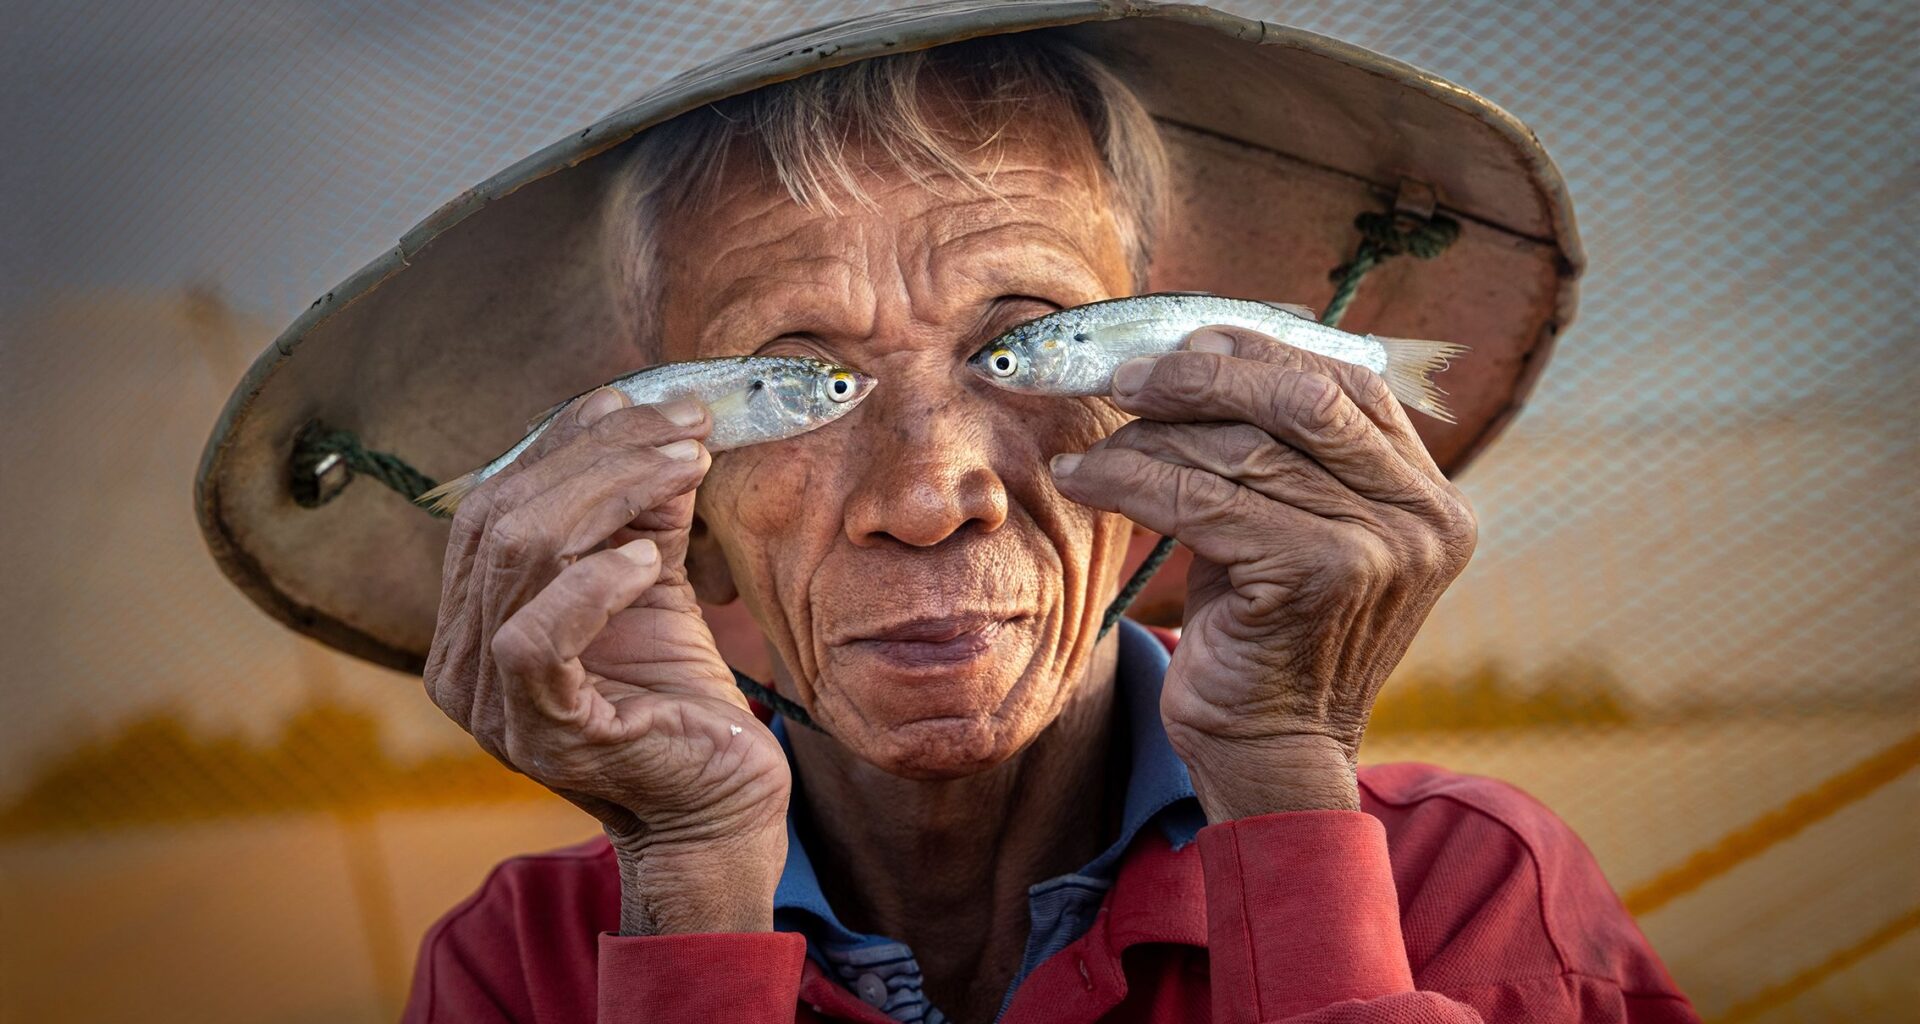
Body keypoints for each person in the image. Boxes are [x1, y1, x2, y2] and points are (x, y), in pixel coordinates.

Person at [192, 4, 1697, 1022]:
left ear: (1178, 391)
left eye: (1022, 339)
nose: (927, 495)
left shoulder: (1464, 882)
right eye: (797, 380)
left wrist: (1289, 789)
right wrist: (695, 877)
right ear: (675, 485)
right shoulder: (527, 967)